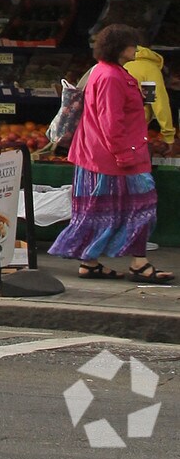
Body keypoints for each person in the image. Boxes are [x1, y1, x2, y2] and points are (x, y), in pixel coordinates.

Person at [50, 24, 172, 283]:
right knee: (141, 206)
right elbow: (111, 123)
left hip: (100, 155)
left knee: (98, 210)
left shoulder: (106, 72)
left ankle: (90, 263)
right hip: (114, 158)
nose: (136, 49)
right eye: (132, 45)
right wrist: (124, 156)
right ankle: (139, 264)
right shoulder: (111, 77)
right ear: (119, 48)